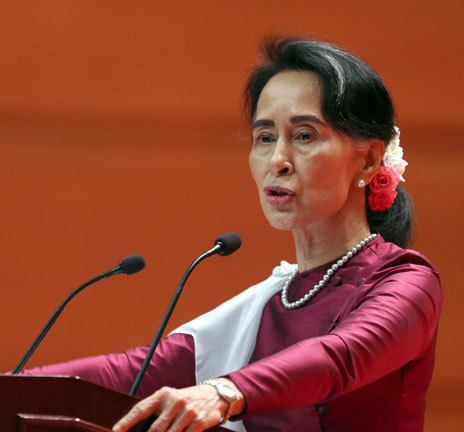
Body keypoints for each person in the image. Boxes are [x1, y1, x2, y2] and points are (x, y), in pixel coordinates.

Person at [22, 37, 442, 432]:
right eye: (264, 137)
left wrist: (226, 390)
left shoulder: (405, 282)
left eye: (303, 136)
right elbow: (132, 372)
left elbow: (339, 357)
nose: (277, 159)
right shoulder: (268, 304)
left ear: (368, 160)